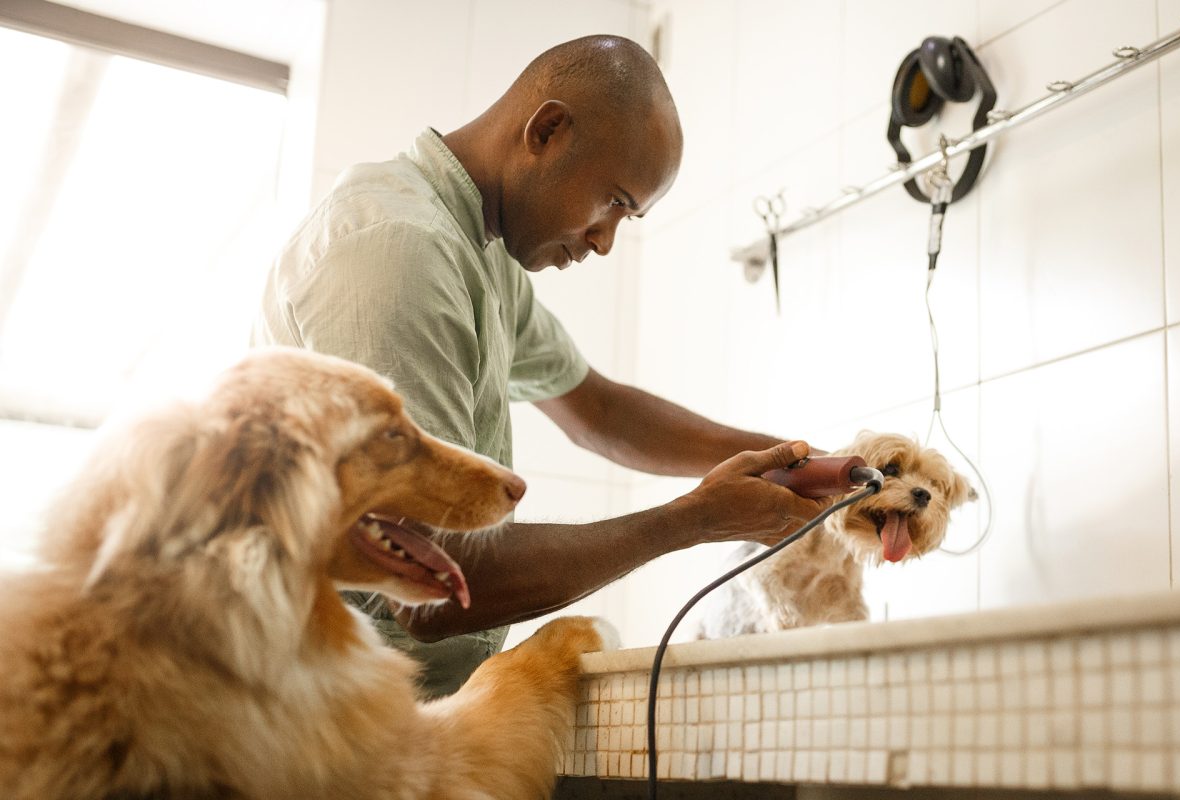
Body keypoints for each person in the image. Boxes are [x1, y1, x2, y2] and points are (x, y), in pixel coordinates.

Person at [253, 34, 824, 698]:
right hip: (318, 721)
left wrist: (794, 462)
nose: (605, 241)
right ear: (547, 130)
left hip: (389, 713)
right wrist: (693, 520)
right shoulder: (399, 251)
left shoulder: (481, 251)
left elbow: (597, 411)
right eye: (614, 201)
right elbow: (438, 584)